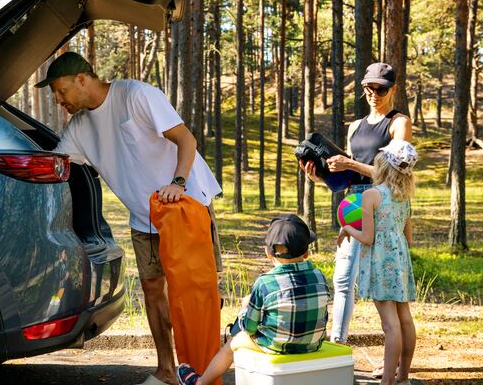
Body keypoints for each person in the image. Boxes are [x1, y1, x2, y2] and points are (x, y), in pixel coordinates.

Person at [39, 52, 223, 385]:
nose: (57, 99)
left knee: (194, 295)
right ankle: (167, 370)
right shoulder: (79, 128)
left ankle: (204, 371)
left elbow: (187, 139)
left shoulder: (136, 95)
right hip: (144, 218)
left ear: (82, 79)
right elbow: (54, 164)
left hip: (185, 206)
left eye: (60, 90)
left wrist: (178, 183)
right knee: (154, 293)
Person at [300, 62, 413, 348]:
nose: (374, 94)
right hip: (353, 202)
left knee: (388, 294)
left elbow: (396, 175)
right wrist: (320, 177)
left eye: (381, 89)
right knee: (343, 278)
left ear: (393, 89)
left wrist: (350, 163)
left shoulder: (398, 123)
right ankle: (338, 343)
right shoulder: (355, 127)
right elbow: (348, 176)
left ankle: (396, 365)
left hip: (383, 202)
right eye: (369, 88)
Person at [175, 214, 329, 385]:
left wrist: (244, 308)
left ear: (268, 253)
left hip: (277, 348)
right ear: (307, 252)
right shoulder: (319, 276)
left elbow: (249, 328)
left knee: (234, 342)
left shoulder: (264, 283)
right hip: (312, 345)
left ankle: (200, 382)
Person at [337, 139, 418, 385]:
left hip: (381, 265)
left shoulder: (371, 195)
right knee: (404, 318)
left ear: (383, 164)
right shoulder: (404, 197)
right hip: (401, 263)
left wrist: (347, 228)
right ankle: (402, 375)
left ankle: (387, 382)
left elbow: (368, 238)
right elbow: (409, 239)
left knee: (390, 325)